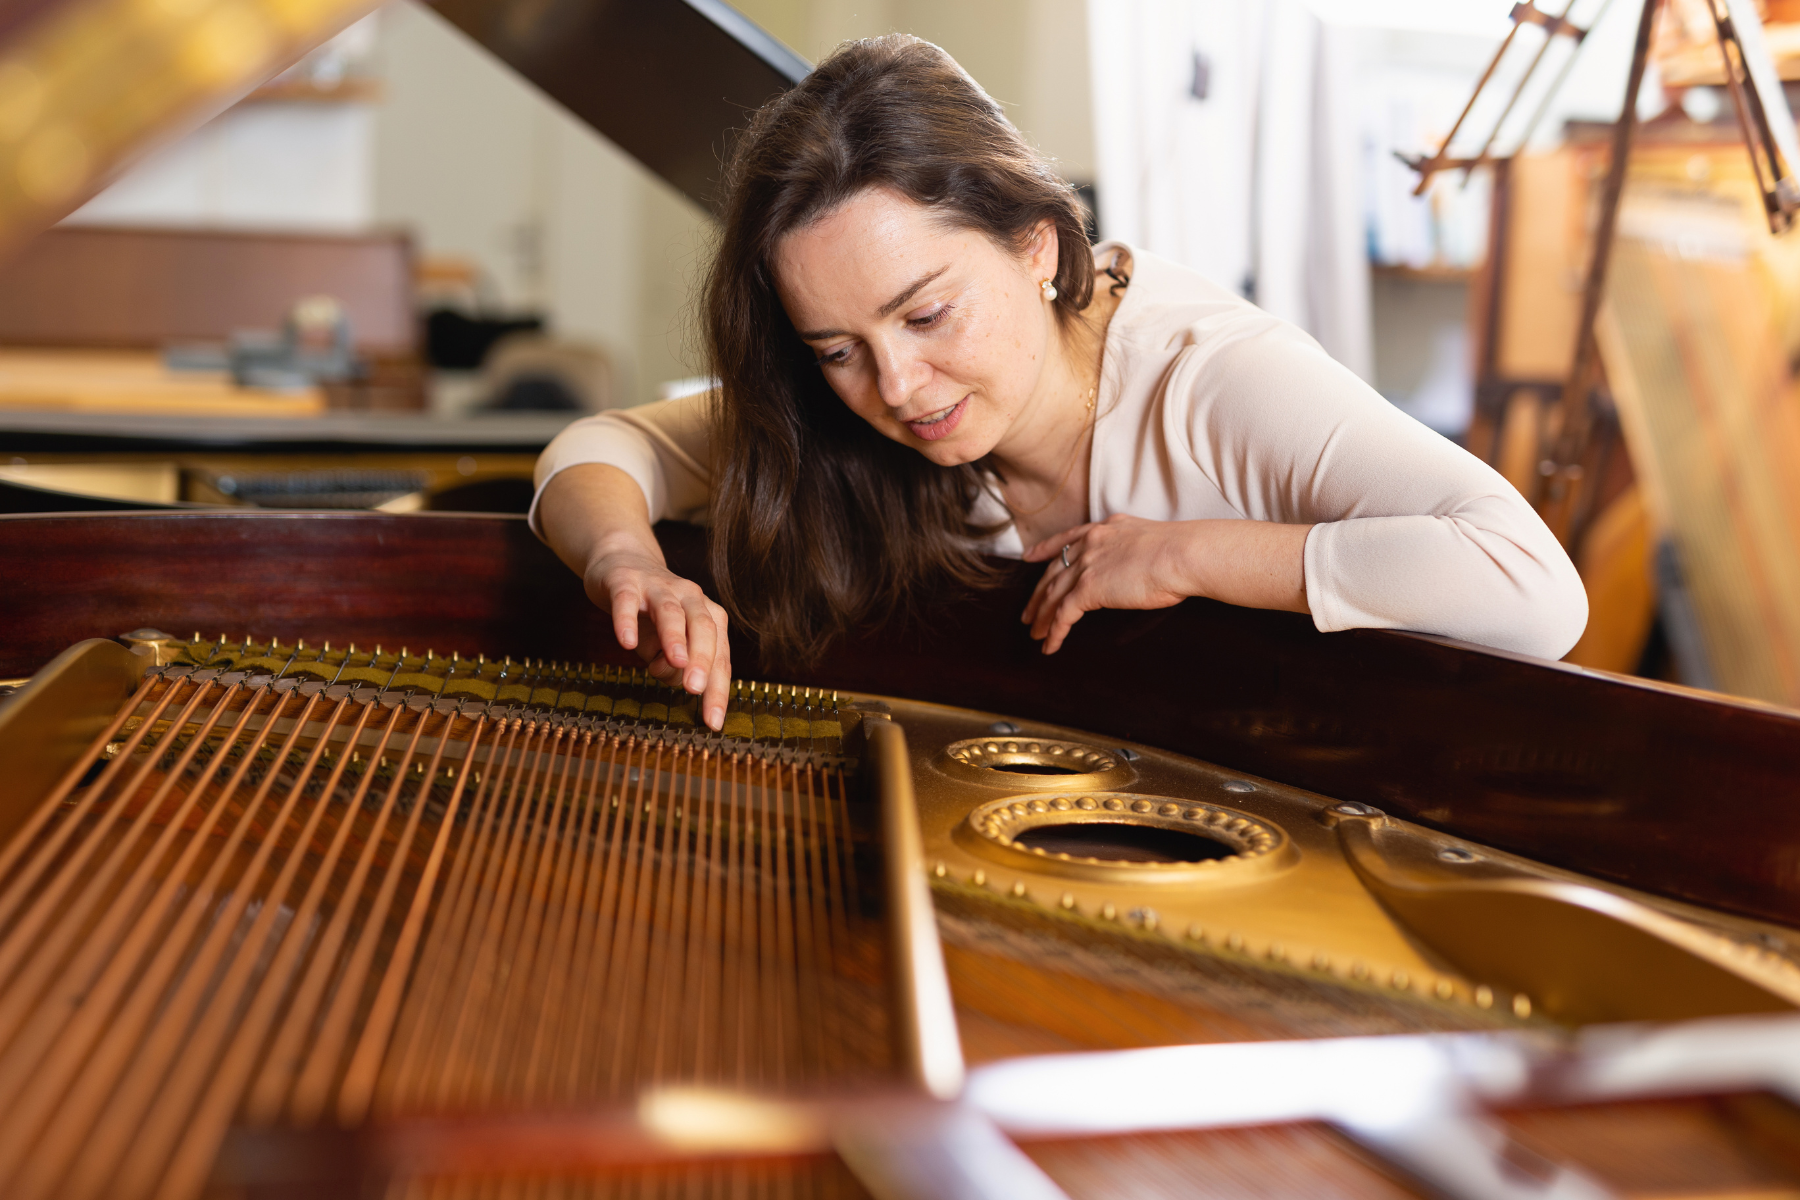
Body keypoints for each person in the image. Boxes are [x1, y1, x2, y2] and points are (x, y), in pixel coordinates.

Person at [532, 34, 1587, 733]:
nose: (897, 385)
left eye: (927, 313)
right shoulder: (866, 405)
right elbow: (598, 451)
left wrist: (1184, 552)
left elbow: (1529, 585)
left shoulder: (1208, 377)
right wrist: (630, 562)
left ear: (1038, 247)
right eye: (836, 348)